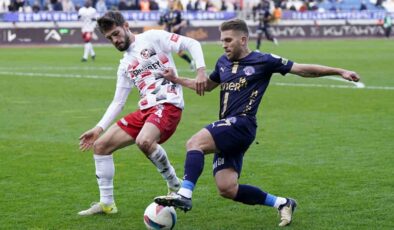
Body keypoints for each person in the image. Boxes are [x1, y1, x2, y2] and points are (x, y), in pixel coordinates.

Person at [154, 18, 360, 227]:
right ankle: (283, 203)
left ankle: (184, 194)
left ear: (243, 40)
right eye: (222, 40)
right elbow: (206, 86)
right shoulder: (222, 62)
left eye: (228, 40)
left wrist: (339, 71)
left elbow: (302, 69)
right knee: (227, 188)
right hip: (228, 126)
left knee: (194, 143)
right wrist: (177, 79)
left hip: (242, 124)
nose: (224, 44)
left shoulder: (264, 60)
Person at [78, 10, 207, 216]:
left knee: (143, 140)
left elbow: (193, 44)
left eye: (117, 33)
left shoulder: (153, 37)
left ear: (126, 26)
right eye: (110, 38)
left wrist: (201, 71)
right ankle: (106, 204)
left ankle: (174, 184)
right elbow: (118, 102)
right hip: (146, 110)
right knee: (101, 146)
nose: (115, 40)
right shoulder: (124, 65)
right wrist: (98, 128)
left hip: (168, 104)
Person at [159, 0, 195, 70]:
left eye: (172, 2)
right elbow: (164, 24)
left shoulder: (178, 12)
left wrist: (178, 26)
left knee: (179, 53)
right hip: (168, 36)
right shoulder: (166, 13)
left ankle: (191, 62)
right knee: (163, 50)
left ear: (174, 3)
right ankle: (165, 67)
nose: (171, 3)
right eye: (169, 2)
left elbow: (184, 22)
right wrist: (163, 31)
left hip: (176, 36)